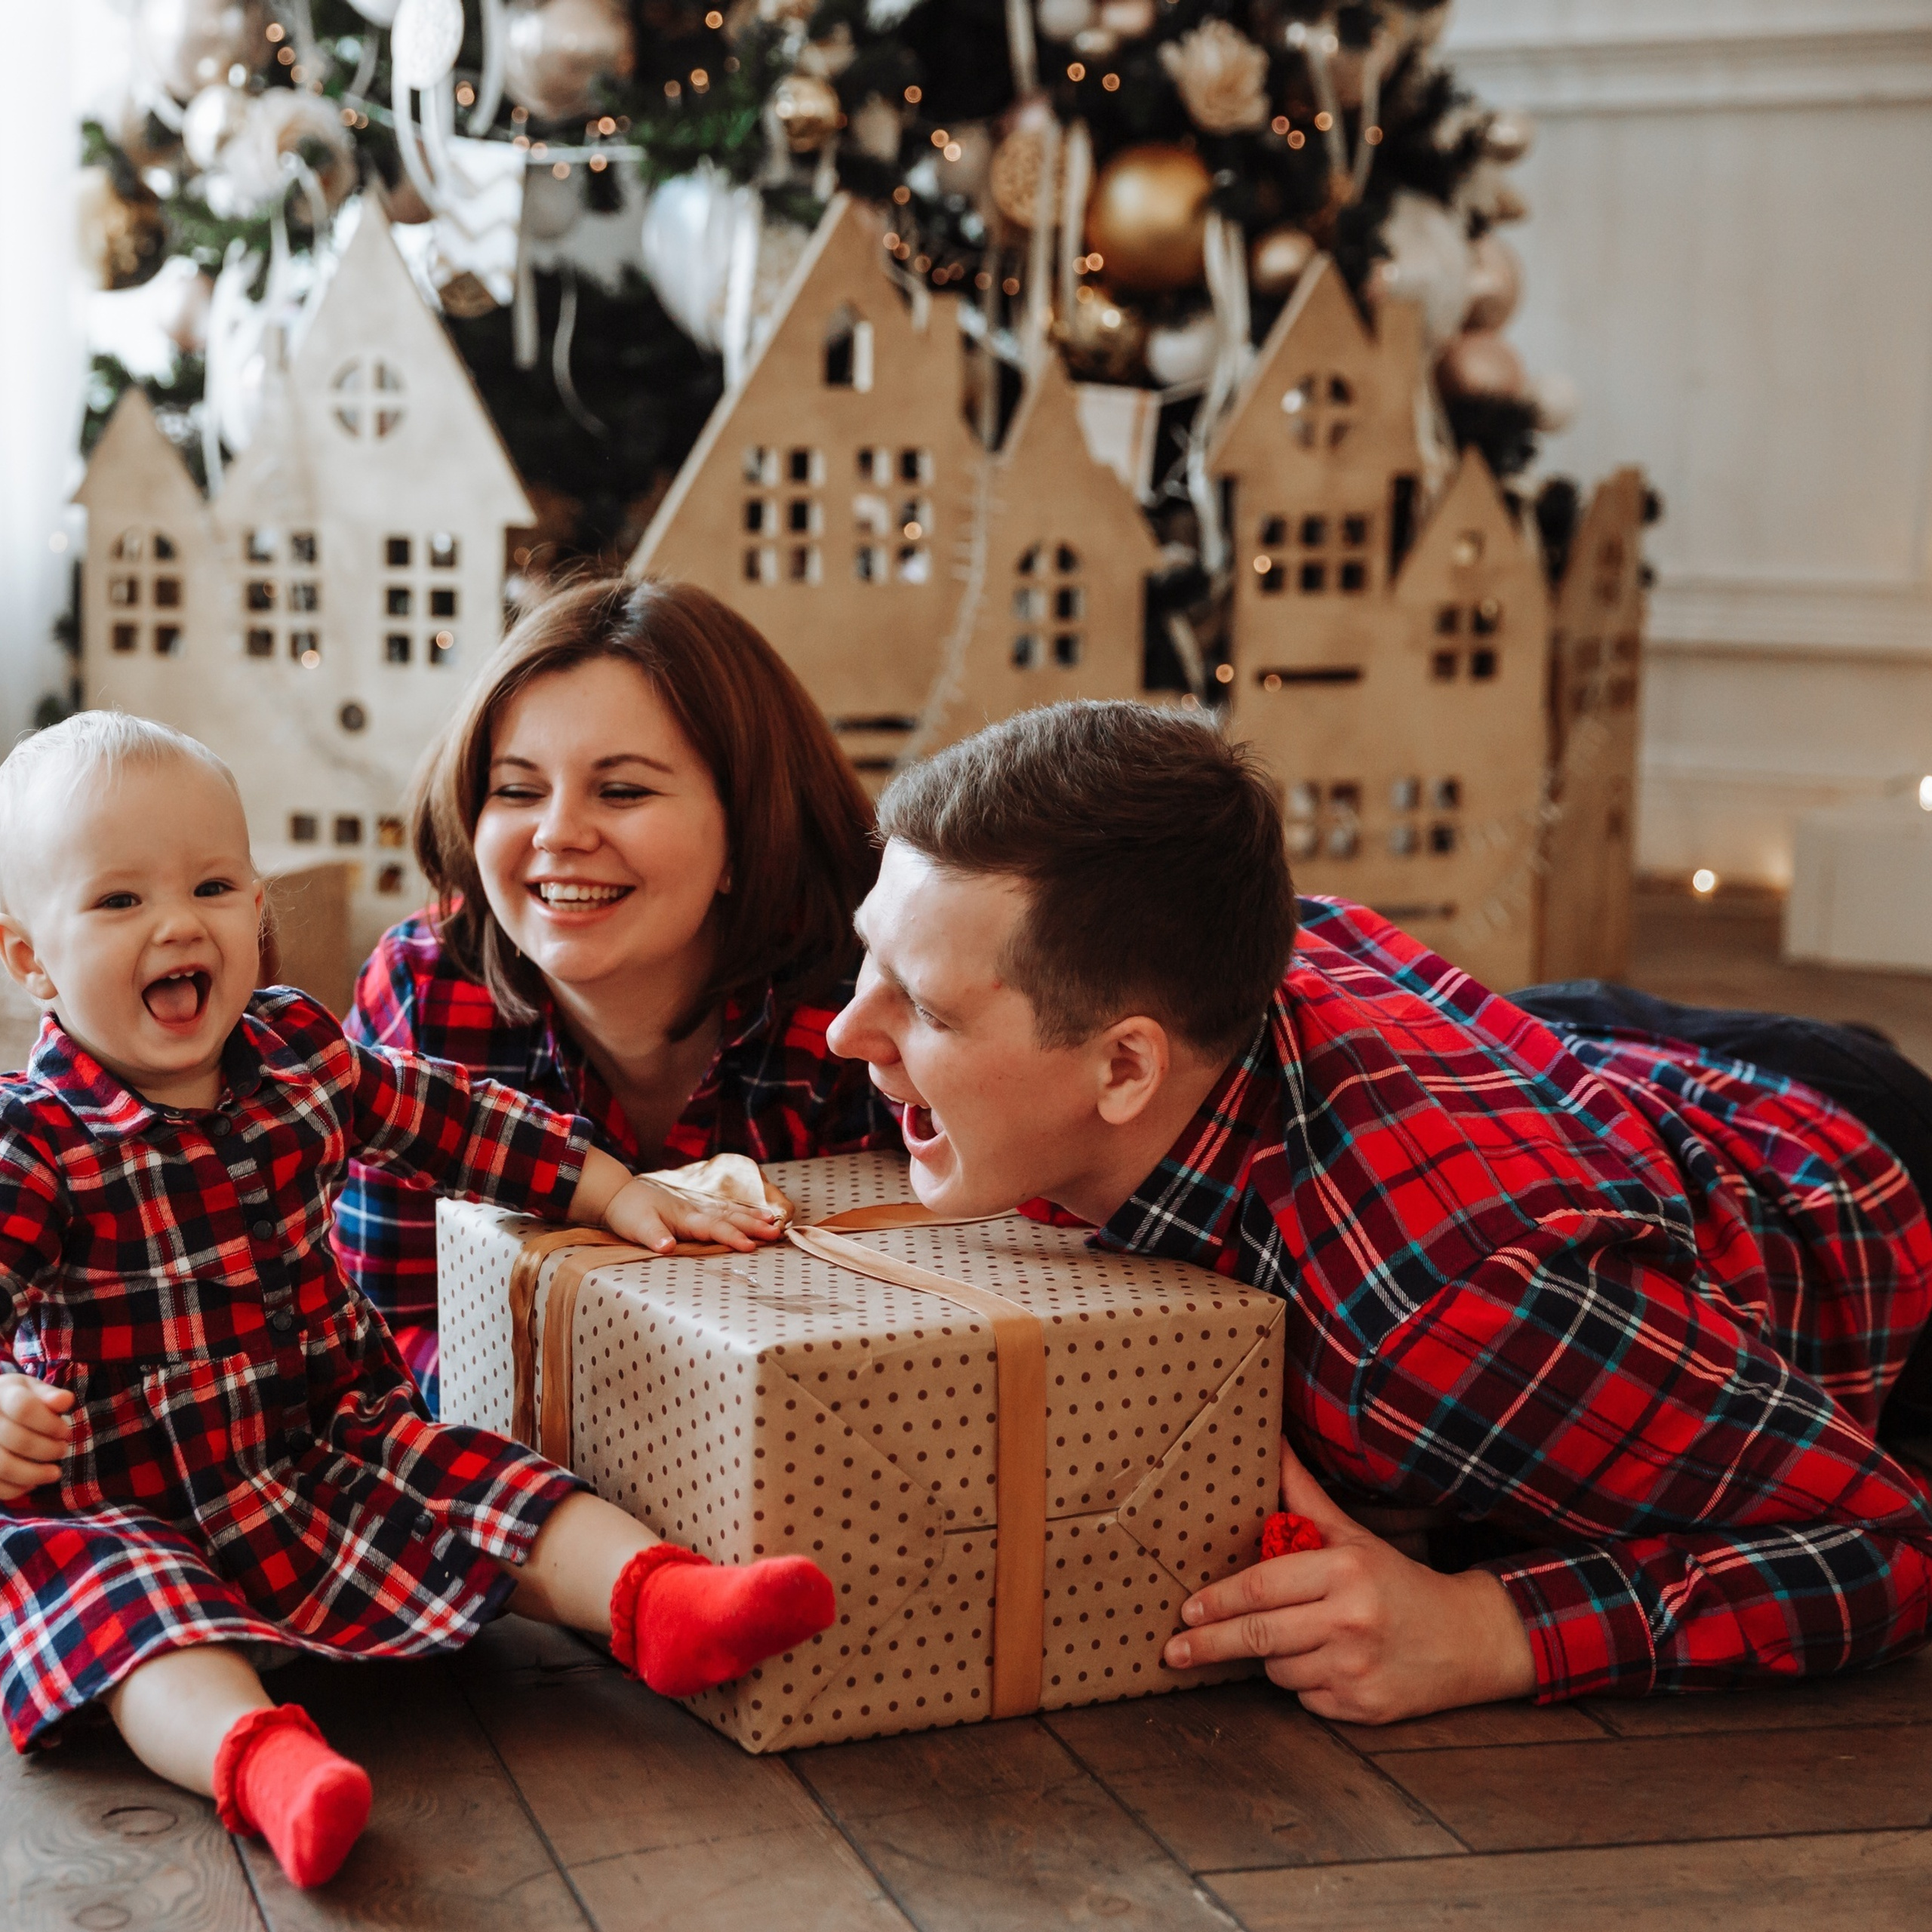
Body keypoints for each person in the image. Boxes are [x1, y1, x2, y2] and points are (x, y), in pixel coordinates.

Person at [826, 699, 1932, 1724]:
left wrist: (1483, 1631)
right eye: (870, 956)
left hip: (1836, 1174)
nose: (846, 1033)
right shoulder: (1162, 968)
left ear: (1126, 1069)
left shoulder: (1430, 1321)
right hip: (1584, 1059)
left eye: (923, 1008)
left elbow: (1883, 1545)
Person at [0, 715, 816, 1889]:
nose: (178, 924)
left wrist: (615, 1189)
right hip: (122, 1494)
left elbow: (454, 1120)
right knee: (132, 1620)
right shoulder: (36, 1142)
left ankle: (666, 1602)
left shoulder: (299, 1051)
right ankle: (267, 1765)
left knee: (485, 1478)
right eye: (120, 901)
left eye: (213, 887)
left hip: (322, 1439)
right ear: (33, 960)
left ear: (256, 909)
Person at [334, 577, 898, 1413]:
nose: (558, 832)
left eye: (623, 790)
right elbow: (395, 1318)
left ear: (747, 830)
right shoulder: (423, 989)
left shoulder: (868, 999)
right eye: (517, 790)